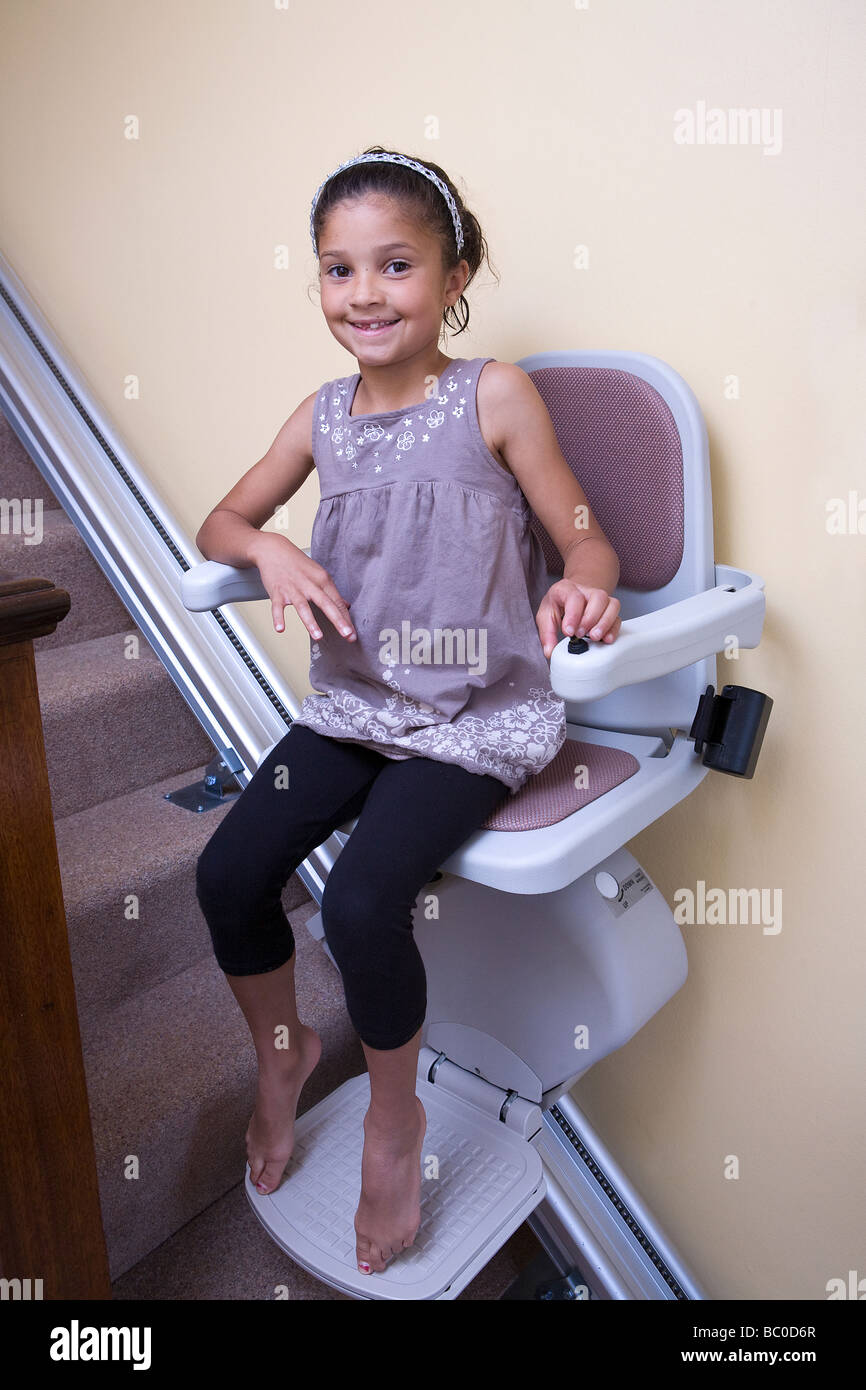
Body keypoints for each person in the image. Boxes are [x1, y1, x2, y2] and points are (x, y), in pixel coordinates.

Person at [194, 144, 622, 1280]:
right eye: (339, 271)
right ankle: (282, 1051)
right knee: (229, 874)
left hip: (474, 711)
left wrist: (585, 575)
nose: (365, 294)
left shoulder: (493, 394)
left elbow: (582, 530)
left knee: (366, 900)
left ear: (454, 272)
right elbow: (218, 524)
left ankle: (393, 1123)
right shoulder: (320, 415)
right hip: (353, 706)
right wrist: (269, 543)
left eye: (394, 265)